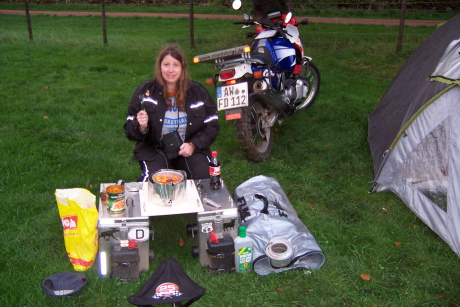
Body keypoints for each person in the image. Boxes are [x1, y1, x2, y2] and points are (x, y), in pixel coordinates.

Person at [124, 44, 219, 182]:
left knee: (204, 178)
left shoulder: (198, 92)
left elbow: (213, 125)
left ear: (182, 68)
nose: (170, 70)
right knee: (157, 181)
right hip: (155, 150)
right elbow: (129, 128)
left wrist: (193, 145)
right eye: (166, 64)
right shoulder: (146, 91)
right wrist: (141, 126)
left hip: (188, 148)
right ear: (160, 67)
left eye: (175, 65)